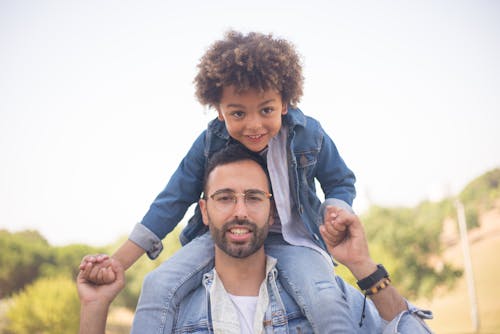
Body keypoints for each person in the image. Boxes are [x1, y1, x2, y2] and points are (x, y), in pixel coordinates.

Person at [80, 30, 357, 332]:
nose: (254, 125)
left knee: (326, 299)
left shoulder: (309, 134)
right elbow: (172, 199)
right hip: (223, 237)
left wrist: (337, 208)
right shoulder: (210, 141)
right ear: (219, 111)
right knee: (157, 284)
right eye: (238, 113)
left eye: (266, 110)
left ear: (285, 103)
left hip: (295, 240)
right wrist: (118, 263)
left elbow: (339, 179)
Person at [77, 144, 433, 333]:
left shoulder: (328, 294)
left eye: (253, 197)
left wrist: (363, 266)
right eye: (224, 197)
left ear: (273, 210)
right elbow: (166, 205)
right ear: (204, 211)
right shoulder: (174, 310)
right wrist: (95, 309)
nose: (240, 211)